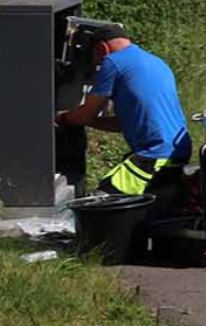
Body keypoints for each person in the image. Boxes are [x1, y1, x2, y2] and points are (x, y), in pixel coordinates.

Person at [56, 26, 192, 201]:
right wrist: (90, 121)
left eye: (96, 61)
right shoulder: (154, 61)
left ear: (101, 49)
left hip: (155, 155)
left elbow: (85, 116)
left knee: (100, 205)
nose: (98, 67)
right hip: (177, 150)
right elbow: (123, 123)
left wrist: (62, 117)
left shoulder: (113, 62)